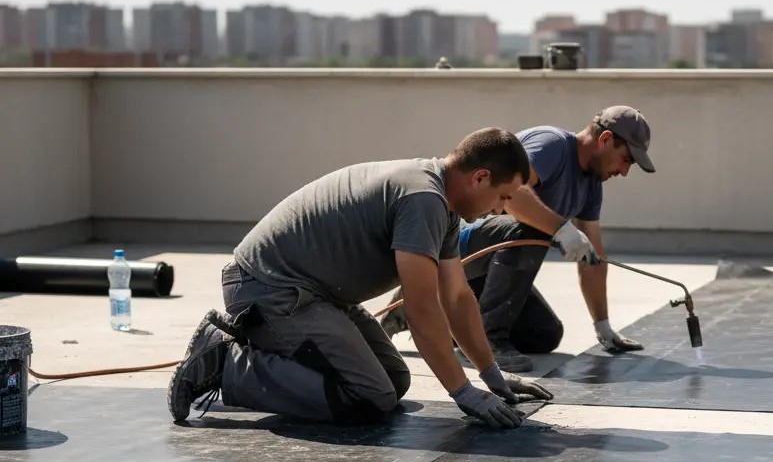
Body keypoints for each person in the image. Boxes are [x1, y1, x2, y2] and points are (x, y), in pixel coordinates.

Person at [166, 128, 554, 428]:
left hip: (314, 295)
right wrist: (464, 393)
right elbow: (421, 309)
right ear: (480, 178)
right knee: (370, 397)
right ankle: (223, 363)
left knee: (394, 379)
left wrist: (491, 376)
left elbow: (457, 298)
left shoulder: (444, 204)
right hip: (269, 289)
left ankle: (267, 356)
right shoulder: (423, 199)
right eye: (503, 197)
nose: (501, 209)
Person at [381, 106, 656, 372]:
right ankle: (488, 337)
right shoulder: (553, 145)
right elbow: (513, 195)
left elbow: (593, 256)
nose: (624, 171)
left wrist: (603, 325)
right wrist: (561, 228)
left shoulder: (591, 184)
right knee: (534, 227)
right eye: (626, 159)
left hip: (491, 268)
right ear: (606, 139)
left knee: (545, 334)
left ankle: (441, 318)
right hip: (460, 249)